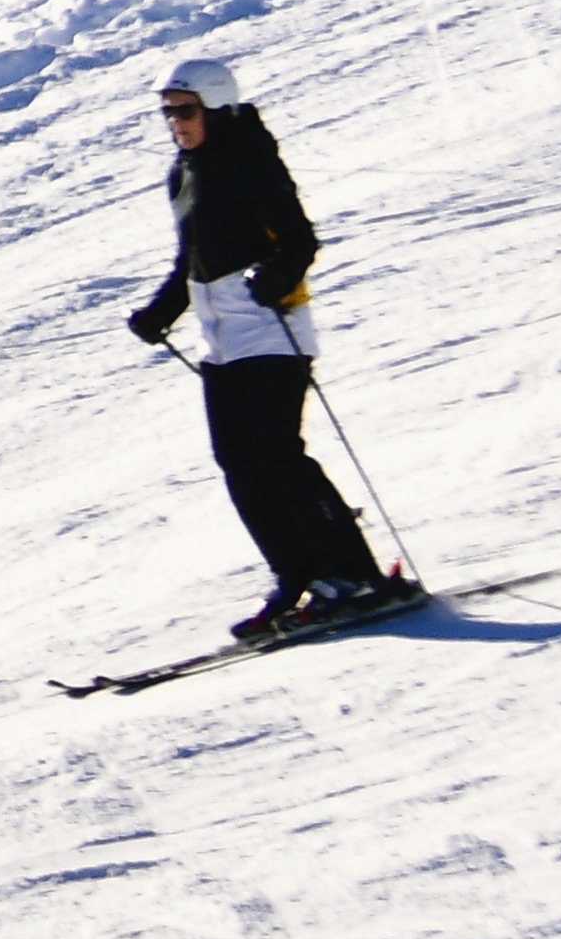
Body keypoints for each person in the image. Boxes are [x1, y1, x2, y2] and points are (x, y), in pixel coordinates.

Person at [122, 65, 399, 640]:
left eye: (185, 110)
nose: (175, 123)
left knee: (278, 454)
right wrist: (159, 313)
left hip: (272, 330)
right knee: (237, 461)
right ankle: (296, 575)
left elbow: (300, 240)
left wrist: (276, 277)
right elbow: (190, 261)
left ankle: (353, 576)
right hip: (219, 342)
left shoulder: (252, 160)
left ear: (216, 107)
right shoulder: (184, 172)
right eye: (168, 112)